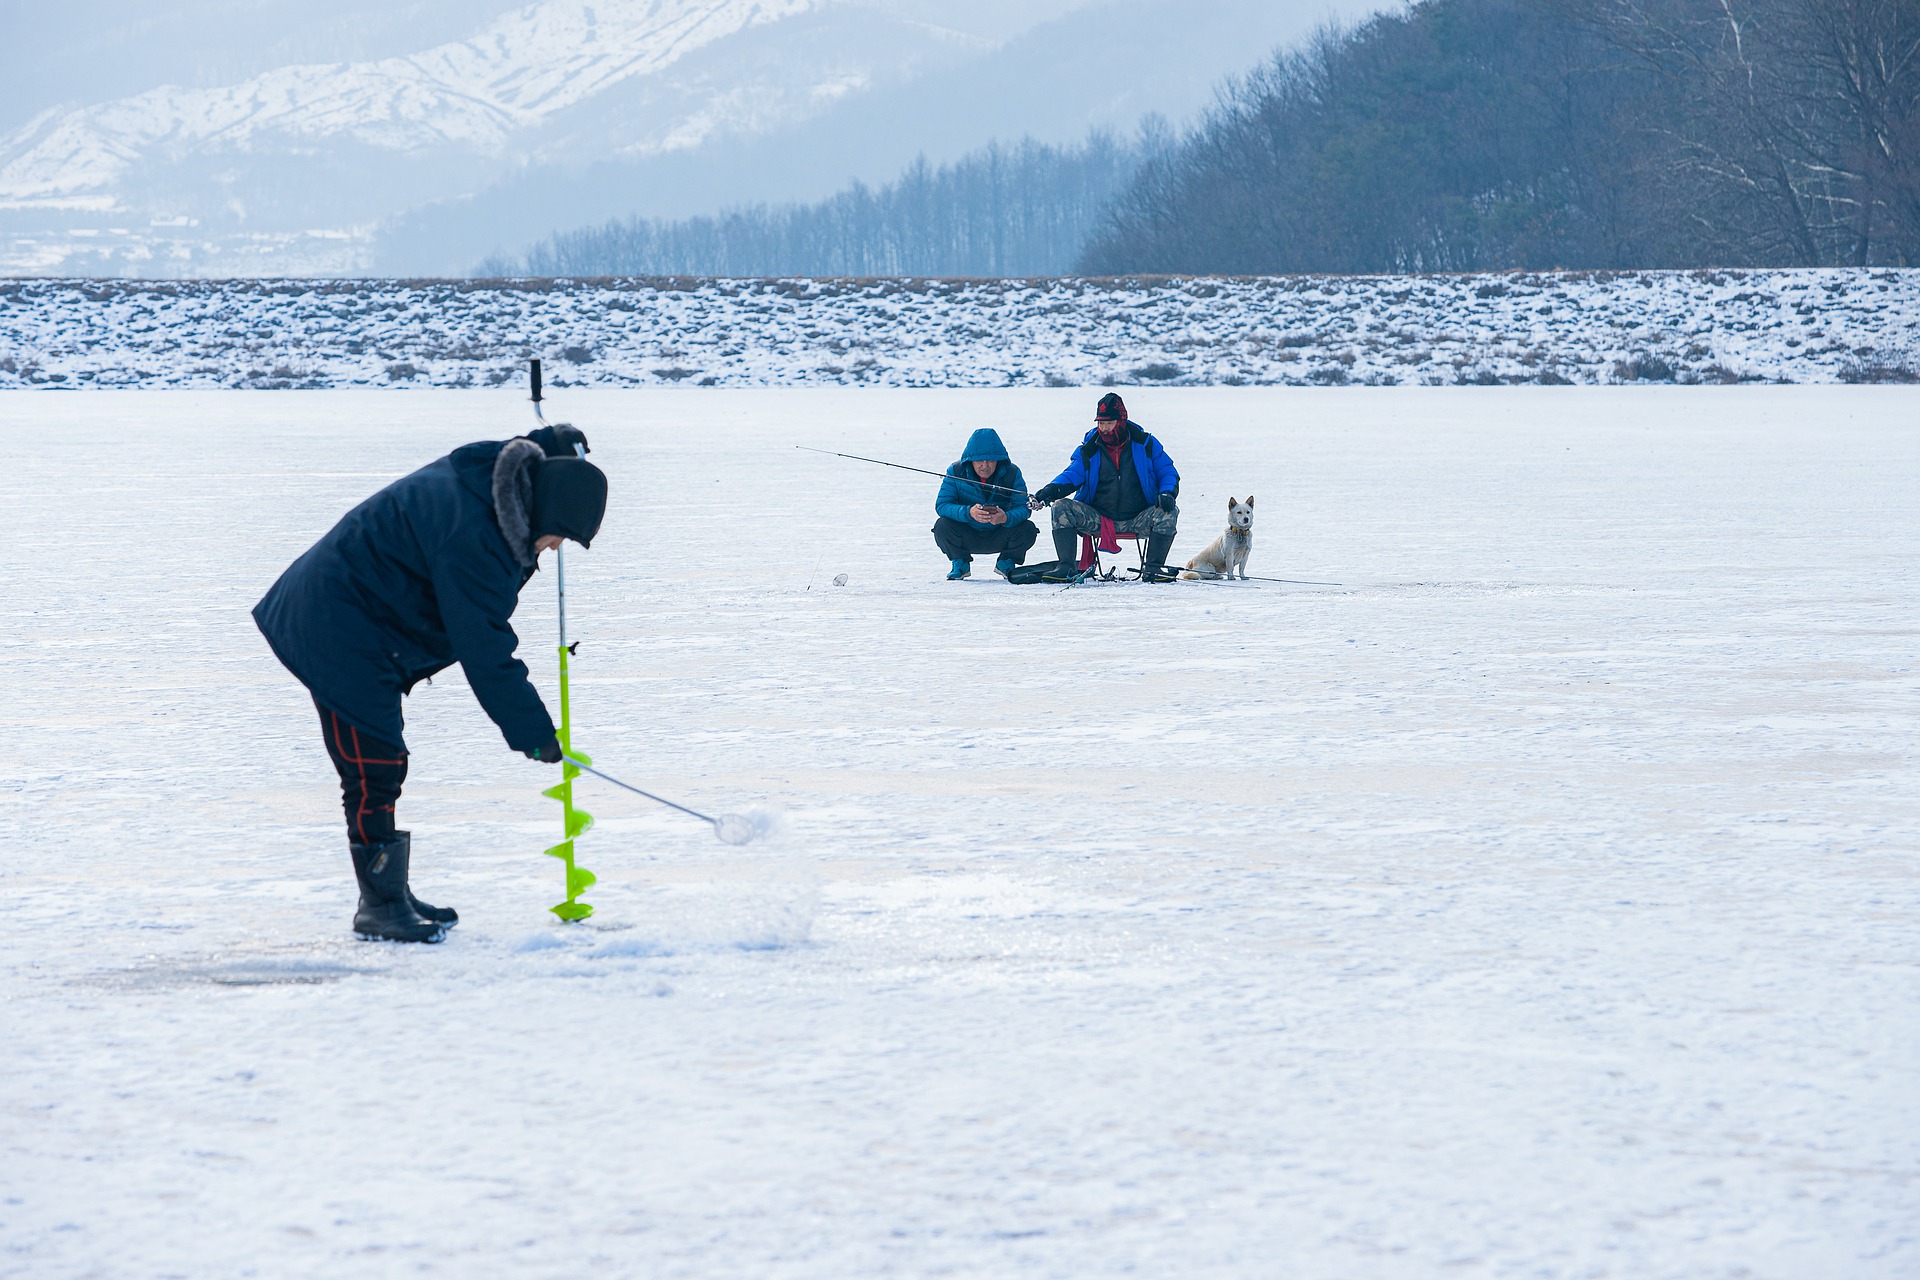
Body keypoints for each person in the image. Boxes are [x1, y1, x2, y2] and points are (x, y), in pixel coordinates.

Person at [253, 424, 607, 943]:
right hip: (336, 624)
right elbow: (483, 645)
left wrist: (553, 441)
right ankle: (380, 907)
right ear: (545, 511)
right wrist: (534, 733)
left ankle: (390, 894)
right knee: (375, 765)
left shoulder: (494, 483)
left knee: (379, 764)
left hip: (366, 618)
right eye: (560, 536)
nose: (553, 550)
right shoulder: (474, 534)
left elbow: (534, 460)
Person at [1030, 392, 1180, 580]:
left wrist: (1167, 493)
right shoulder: (1089, 448)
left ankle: (1153, 569)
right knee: (1061, 507)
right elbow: (1072, 474)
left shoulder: (1146, 443)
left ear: (1121, 421)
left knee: (1169, 511)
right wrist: (1050, 491)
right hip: (1099, 519)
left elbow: (1167, 471)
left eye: (1109, 423)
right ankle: (1066, 567)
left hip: (1139, 518)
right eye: (1100, 423)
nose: (1104, 428)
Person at [932, 427, 1037, 580]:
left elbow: (1023, 508)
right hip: (968, 532)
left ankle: (1006, 561)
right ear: (970, 460)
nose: (985, 465)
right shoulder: (955, 471)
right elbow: (942, 505)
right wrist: (969, 513)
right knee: (942, 526)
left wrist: (1005, 518)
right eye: (979, 460)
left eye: (991, 460)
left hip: (1000, 532)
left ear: (999, 460)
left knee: (1028, 529)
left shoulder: (1012, 473)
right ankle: (960, 562)